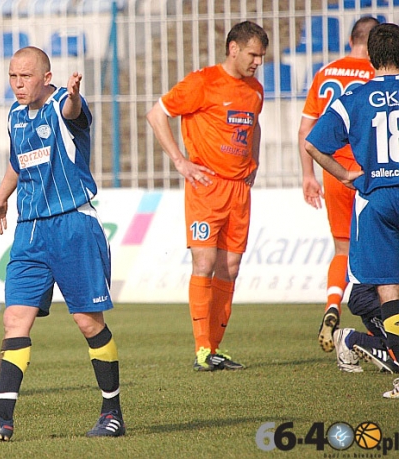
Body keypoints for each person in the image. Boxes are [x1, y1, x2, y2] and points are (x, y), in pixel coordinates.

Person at [0, 46, 124, 441]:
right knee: (15, 319)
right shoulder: (14, 115)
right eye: (13, 76)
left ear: (46, 78)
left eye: (26, 76)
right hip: (30, 231)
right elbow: (18, 161)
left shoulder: (62, 107)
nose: (17, 84)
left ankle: (112, 412)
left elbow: (74, 112)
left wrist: (75, 95)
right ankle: (2, 415)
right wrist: (0, 199)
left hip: (72, 225)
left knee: (87, 322)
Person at [146, 21, 268, 371]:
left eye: (261, 56)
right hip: (206, 187)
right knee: (204, 263)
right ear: (233, 48)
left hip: (238, 190)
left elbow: (254, 124)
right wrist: (180, 162)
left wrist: (254, 163)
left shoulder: (255, 90)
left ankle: (215, 348)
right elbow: (157, 114)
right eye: (253, 54)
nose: (257, 61)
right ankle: (202, 349)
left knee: (230, 266)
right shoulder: (202, 82)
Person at [305, 22, 399, 398]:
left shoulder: (355, 98)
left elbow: (313, 144)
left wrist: (346, 174)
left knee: (389, 289)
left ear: (372, 59)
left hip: (376, 198)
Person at [297, 16, 380, 353]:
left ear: (350, 40)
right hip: (366, 170)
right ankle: (381, 329)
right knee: (380, 249)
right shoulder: (380, 74)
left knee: (342, 248)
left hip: (331, 170)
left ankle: (333, 304)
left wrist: (308, 175)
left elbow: (306, 132)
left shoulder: (325, 73)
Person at [333, 283, 399, 373]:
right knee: (395, 358)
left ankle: (376, 342)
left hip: (375, 296)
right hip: (372, 298)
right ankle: (353, 339)